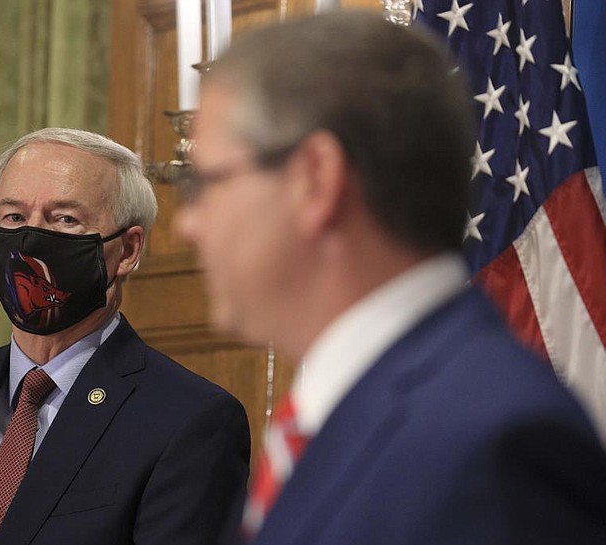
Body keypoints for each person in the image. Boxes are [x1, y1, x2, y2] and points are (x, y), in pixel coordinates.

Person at [175, 11, 606, 545]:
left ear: (315, 180)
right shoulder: (339, 407)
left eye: (208, 182)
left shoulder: (492, 440)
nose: (186, 224)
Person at [0, 127, 250, 545]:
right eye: (14, 217)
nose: (30, 241)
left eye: (65, 219)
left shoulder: (189, 421)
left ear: (127, 251)